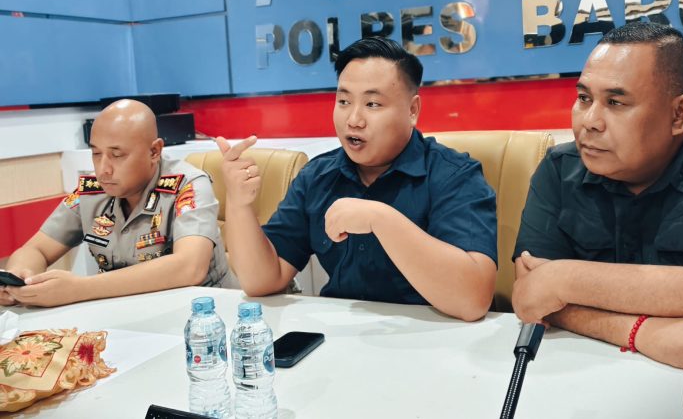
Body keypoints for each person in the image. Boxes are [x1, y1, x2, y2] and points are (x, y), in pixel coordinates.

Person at [216, 37, 497, 321]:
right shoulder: (317, 176)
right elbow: (262, 280)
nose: (353, 119)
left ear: (412, 110)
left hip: (435, 334)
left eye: (372, 104)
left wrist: (380, 219)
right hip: (341, 334)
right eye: (344, 101)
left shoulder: (454, 175)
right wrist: (239, 204)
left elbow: (472, 301)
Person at [512, 23, 683, 372]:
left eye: (615, 102)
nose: (590, 121)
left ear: (679, 114)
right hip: (579, 370)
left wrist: (562, 279)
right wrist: (642, 333)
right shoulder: (560, 169)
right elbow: (530, 297)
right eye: (584, 98)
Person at [0, 99, 233, 307]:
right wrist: (21, 278)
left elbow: (190, 267)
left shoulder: (188, 185)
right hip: (122, 316)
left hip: (200, 318)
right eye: (96, 153)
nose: (103, 169)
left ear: (154, 151)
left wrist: (79, 289)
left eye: (117, 155)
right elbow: (36, 249)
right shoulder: (92, 192)